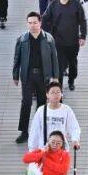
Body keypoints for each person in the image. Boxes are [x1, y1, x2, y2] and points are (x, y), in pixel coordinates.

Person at [12, 12, 62, 143]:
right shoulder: (22, 39)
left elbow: (54, 58)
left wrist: (55, 77)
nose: (32, 25)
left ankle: (40, 129)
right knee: (26, 103)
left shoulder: (48, 39)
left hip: (44, 76)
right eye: (30, 23)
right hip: (27, 75)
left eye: (35, 22)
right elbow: (17, 58)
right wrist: (15, 75)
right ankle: (24, 131)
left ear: (40, 23)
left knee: (42, 103)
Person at [41, 0, 87, 90]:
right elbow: (44, 19)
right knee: (59, 65)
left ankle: (71, 80)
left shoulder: (76, 4)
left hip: (73, 41)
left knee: (73, 63)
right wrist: (44, 34)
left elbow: (82, 21)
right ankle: (59, 87)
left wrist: (83, 36)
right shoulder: (53, 5)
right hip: (58, 41)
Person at [28, 79, 82, 151]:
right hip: (45, 149)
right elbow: (35, 130)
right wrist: (32, 149)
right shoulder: (41, 110)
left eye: (58, 92)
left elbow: (74, 127)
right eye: (53, 92)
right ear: (47, 95)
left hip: (61, 149)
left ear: (61, 94)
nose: (56, 95)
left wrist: (75, 140)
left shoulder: (66, 110)